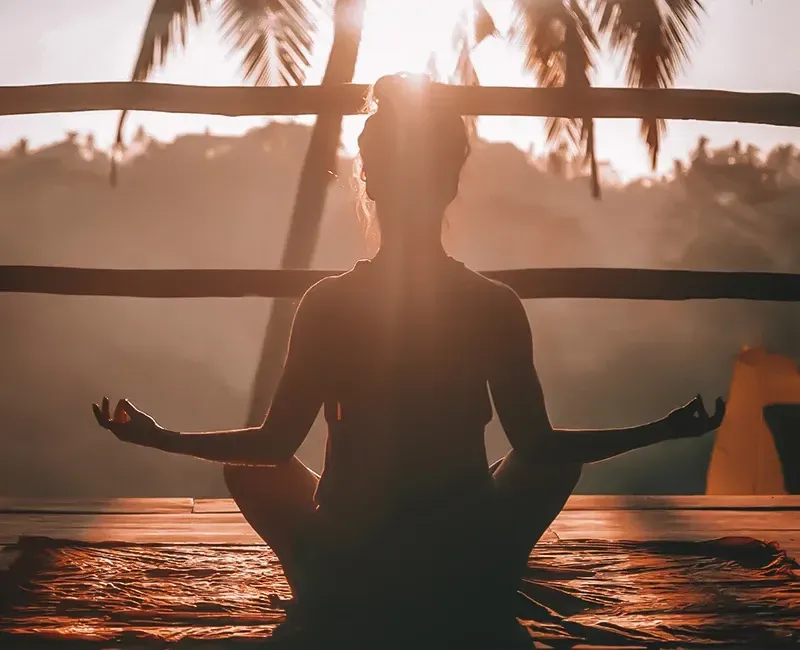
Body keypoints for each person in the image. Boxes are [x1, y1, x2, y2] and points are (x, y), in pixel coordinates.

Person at [92, 73, 725, 646]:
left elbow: (273, 443)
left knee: (249, 472)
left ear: (368, 178)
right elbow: (538, 444)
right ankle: (475, 581)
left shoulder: (328, 303)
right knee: (546, 465)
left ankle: (324, 590)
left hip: (351, 568)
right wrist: (663, 429)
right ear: (451, 182)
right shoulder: (491, 303)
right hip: (463, 566)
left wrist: (160, 437)